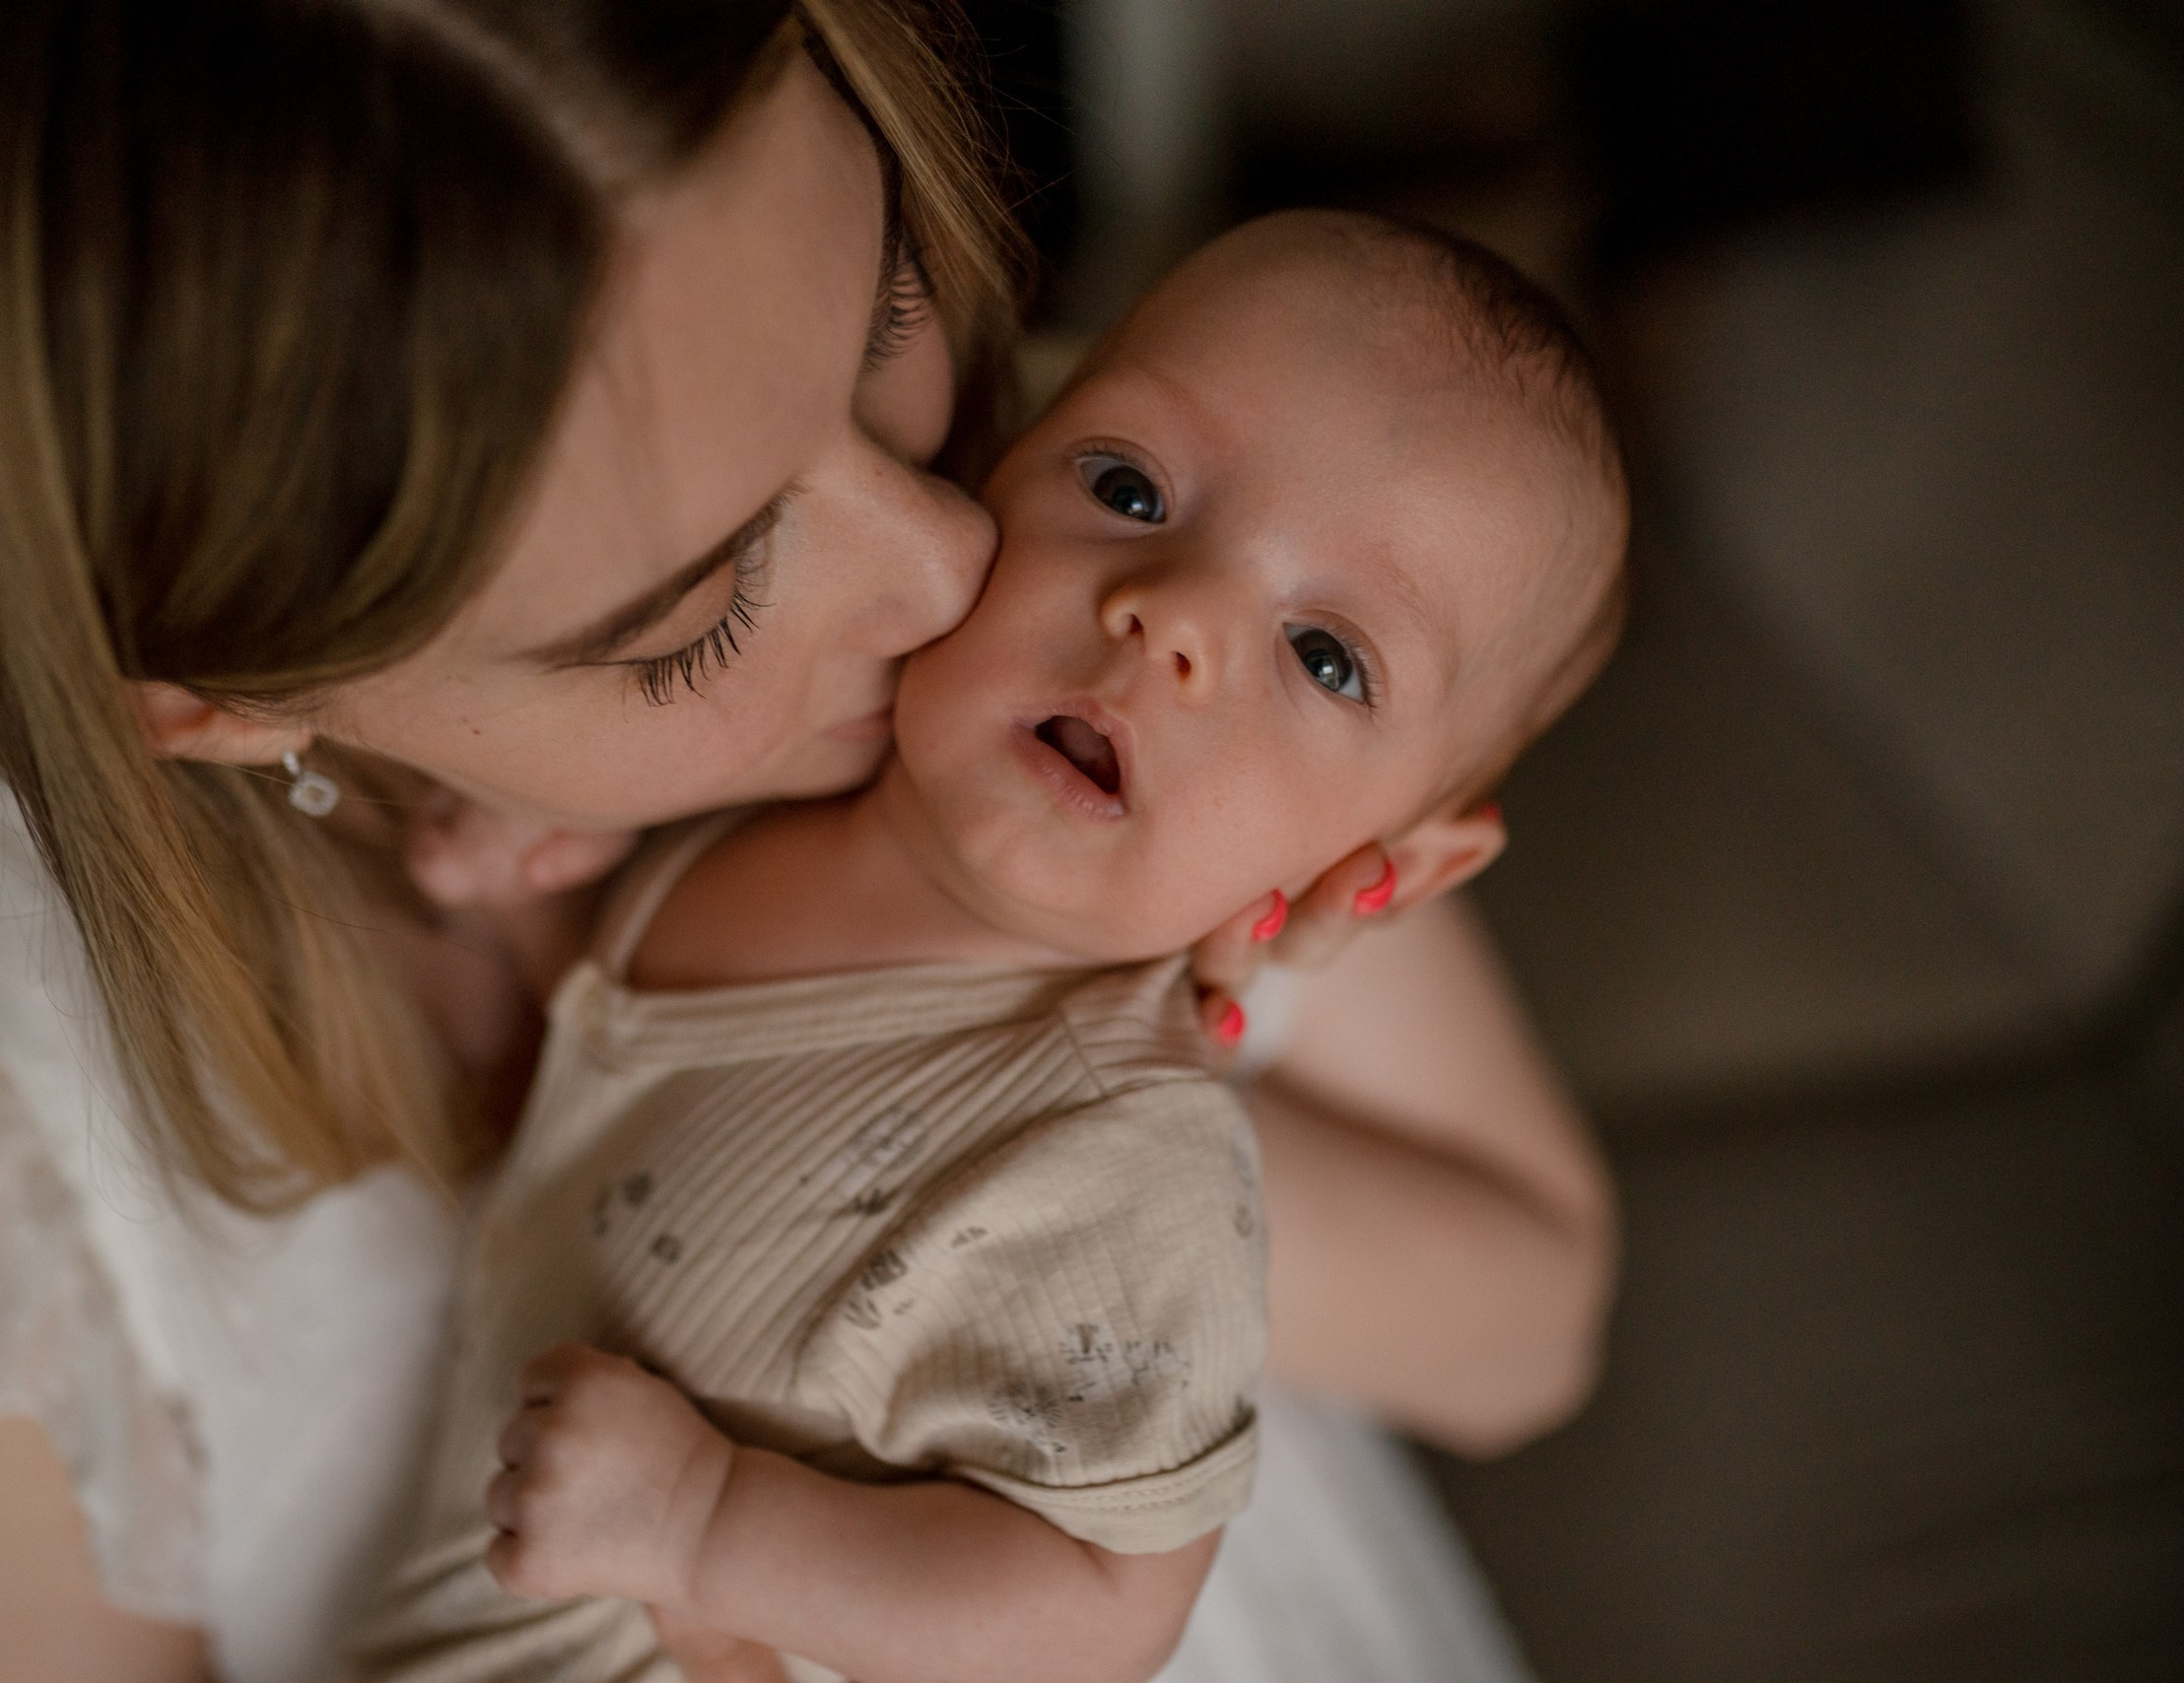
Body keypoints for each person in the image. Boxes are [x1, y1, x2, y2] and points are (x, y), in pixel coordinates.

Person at [0, 3, 1613, 1680]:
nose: (942, 558)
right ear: (221, 684)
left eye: (877, 317)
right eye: (693, 602)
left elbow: (1526, 1327)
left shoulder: (1171, 540)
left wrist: (1048, 1036)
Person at [354, 209, 1628, 1683]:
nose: (1174, 619)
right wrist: (540, 847)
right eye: (1129, 486)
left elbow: (1095, 1609)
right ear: (1000, 459)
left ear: (1386, 871)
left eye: (1327, 654)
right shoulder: (758, 802)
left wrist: (709, 1524)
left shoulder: (1121, 1167)